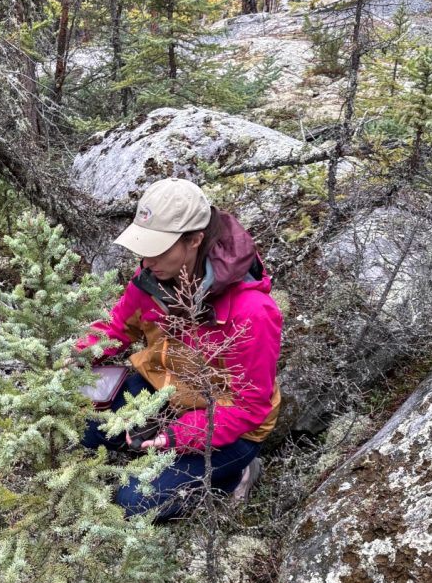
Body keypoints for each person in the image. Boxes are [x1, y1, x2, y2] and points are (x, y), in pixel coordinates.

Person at [78, 177, 283, 521]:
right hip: (163, 389)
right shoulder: (152, 278)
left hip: (229, 425)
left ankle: (235, 475)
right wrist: (76, 356)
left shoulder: (253, 312)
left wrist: (176, 435)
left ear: (195, 239)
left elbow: (250, 407)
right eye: (144, 247)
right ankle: (152, 455)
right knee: (81, 423)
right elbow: (117, 327)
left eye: (157, 248)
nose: (146, 260)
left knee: (131, 504)